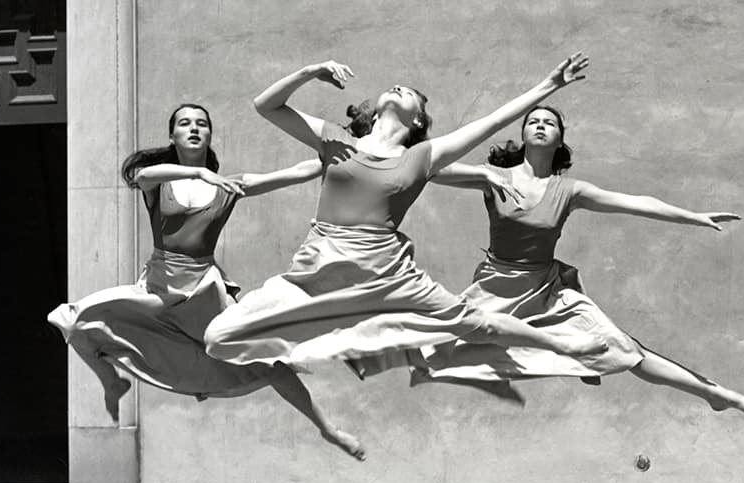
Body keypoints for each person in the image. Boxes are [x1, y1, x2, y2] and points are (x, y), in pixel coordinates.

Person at [204, 54, 606, 377]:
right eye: (395, 88)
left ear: (416, 121)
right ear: (376, 111)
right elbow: (266, 105)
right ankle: (308, 346)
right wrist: (310, 72)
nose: (399, 89)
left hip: (388, 274)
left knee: (473, 322)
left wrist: (550, 86)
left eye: (411, 94)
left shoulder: (419, 158)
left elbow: (491, 123)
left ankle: (563, 344)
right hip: (318, 269)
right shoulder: (337, 141)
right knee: (219, 337)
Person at [48, 103, 368, 460]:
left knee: (271, 364)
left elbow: (298, 171)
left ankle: (330, 429)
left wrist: (348, 148)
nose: (194, 128)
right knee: (73, 320)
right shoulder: (161, 181)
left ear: (210, 135)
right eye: (185, 123)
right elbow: (142, 176)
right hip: (160, 288)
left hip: (204, 292)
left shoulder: (229, 187)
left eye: (202, 123)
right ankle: (112, 380)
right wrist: (200, 175)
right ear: (173, 136)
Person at [412, 106, 744, 414]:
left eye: (548, 123)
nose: (539, 125)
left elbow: (636, 202)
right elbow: (425, 168)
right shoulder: (494, 178)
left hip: (546, 289)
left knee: (626, 349)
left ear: (559, 141)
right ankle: (576, 360)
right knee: (431, 354)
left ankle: (713, 393)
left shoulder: (570, 191)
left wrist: (692, 215)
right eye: (532, 121)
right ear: (522, 135)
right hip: (496, 287)